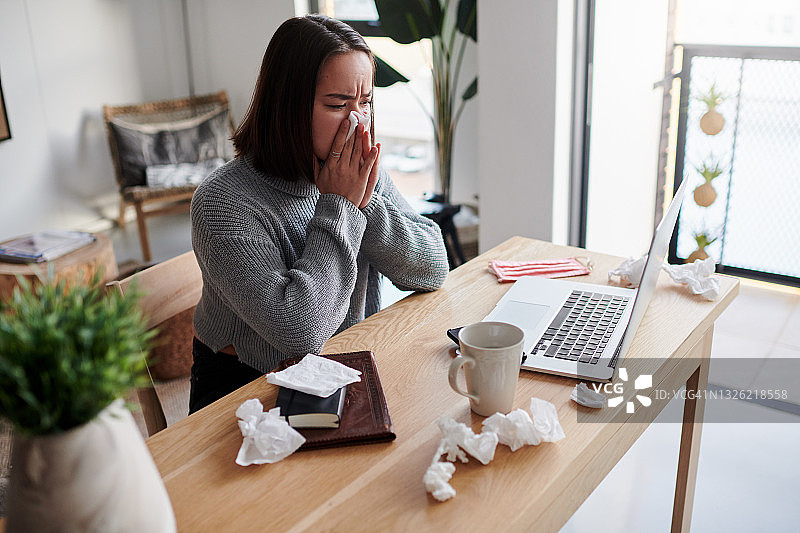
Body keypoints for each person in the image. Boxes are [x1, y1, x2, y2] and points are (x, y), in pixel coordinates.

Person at [188, 14, 449, 413]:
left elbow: (433, 266)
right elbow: (300, 331)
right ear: (287, 106)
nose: (358, 120)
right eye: (338, 104)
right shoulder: (223, 202)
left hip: (342, 369)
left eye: (365, 102)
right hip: (246, 394)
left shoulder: (353, 169)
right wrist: (342, 206)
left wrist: (364, 201)